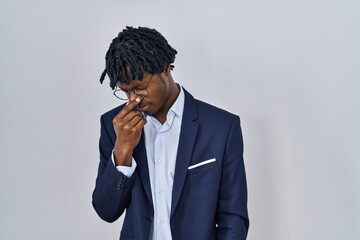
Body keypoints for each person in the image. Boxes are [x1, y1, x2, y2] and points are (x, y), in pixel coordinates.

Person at [92, 26, 249, 240]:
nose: (133, 100)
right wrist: (122, 151)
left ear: (165, 68)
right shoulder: (116, 127)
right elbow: (106, 211)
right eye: (126, 91)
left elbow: (233, 218)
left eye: (140, 87)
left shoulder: (221, 127)